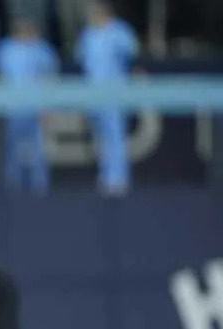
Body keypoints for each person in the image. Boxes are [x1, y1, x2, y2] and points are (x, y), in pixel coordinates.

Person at [76, 1, 139, 196]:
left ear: (105, 13)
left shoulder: (121, 31)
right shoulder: (88, 34)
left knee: (116, 135)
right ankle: (105, 176)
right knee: (101, 137)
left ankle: (119, 179)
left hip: (115, 91)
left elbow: (133, 55)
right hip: (93, 92)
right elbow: (82, 60)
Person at [0, 17, 59, 195]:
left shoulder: (42, 50)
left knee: (38, 149)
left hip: (37, 106)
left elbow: (50, 79)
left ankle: (40, 187)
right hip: (13, 106)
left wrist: (49, 107)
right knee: (13, 148)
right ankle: (13, 186)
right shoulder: (5, 49)